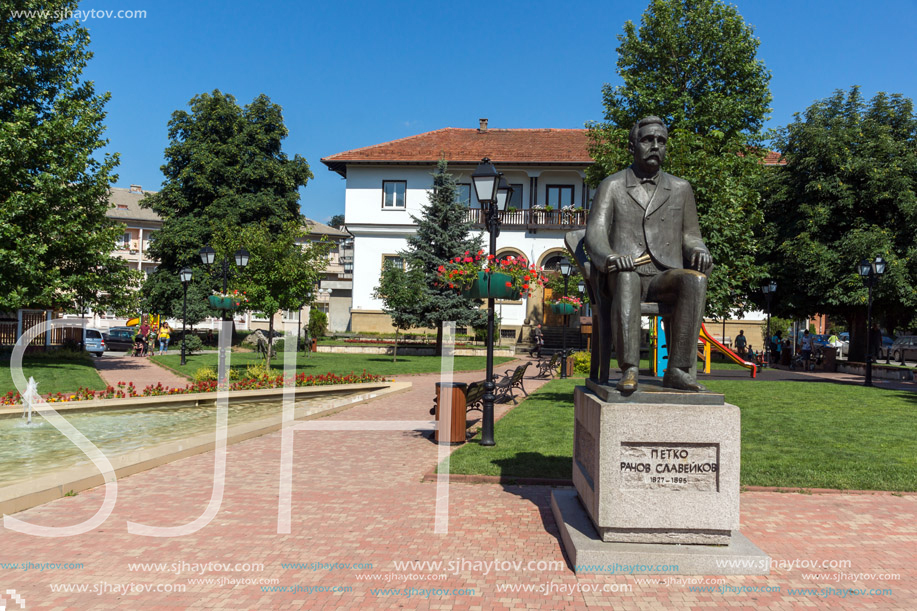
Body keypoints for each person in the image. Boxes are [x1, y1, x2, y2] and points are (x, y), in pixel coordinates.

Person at [586, 116, 712, 392]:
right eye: (647, 139)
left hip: (662, 276)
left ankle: (677, 369)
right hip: (622, 273)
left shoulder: (681, 188)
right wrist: (610, 258)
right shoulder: (613, 185)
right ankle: (629, 368)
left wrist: (700, 250)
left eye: (661, 141)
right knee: (628, 278)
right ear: (632, 146)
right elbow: (594, 234)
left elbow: (691, 237)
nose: (655, 145)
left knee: (695, 280)